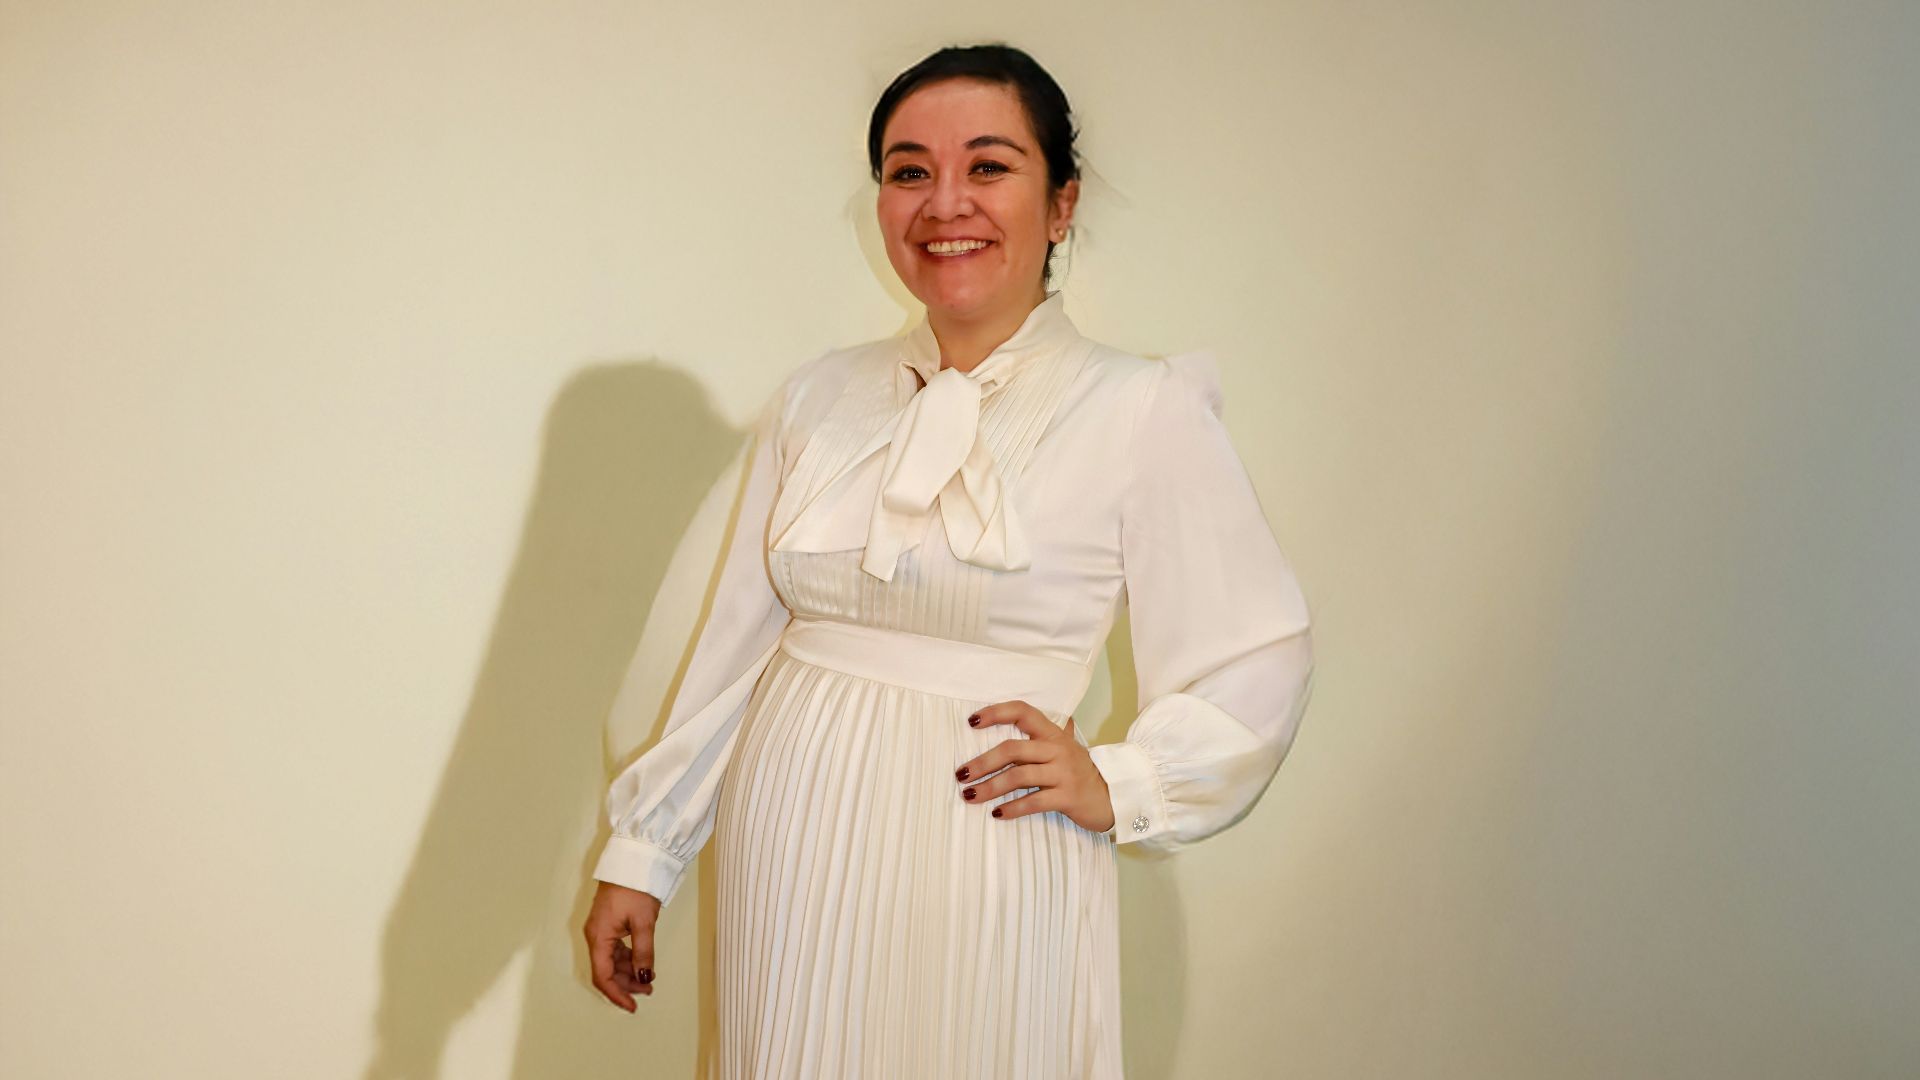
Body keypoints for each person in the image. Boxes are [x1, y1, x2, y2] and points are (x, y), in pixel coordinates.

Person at [582, 42, 1314, 1079]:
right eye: (909, 170)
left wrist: (1126, 779)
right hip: (789, 842)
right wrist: (645, 852)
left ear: (1061, 204)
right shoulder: (820, 398)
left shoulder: (1141, 409)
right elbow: (737, 641)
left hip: (993, 842)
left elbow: (1258, 649)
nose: (944, 203)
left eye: (989, 166)